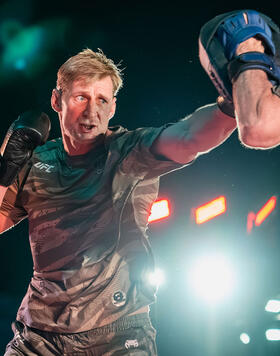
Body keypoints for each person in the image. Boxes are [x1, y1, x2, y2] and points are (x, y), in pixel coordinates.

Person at [1, 9, 280, 356]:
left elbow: (189, 135)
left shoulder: (128, 151)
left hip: (117, 334)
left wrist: (231, 103)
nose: (91, 112)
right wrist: (5, 164)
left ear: (113, 107)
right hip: (39, 335)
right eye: (80, 98)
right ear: (57, 100)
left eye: (102, 100)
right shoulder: (36, 162)